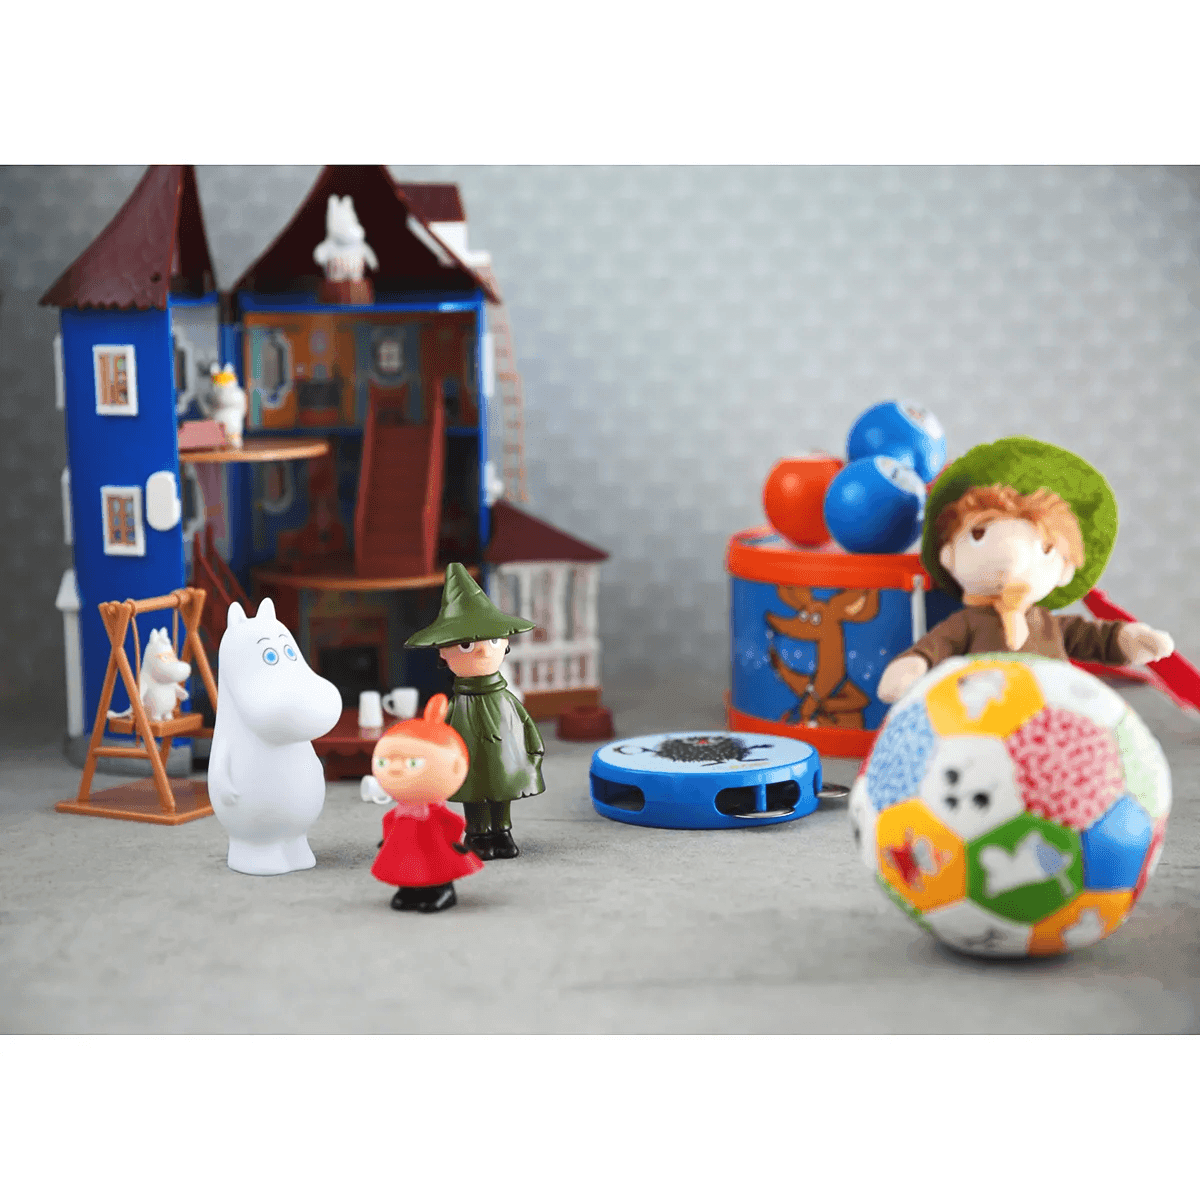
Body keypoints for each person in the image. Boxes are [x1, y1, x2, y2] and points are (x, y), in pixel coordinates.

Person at [877, 436, 1173, 703]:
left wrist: (1128, 640)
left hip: (1051, 714)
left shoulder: (1051, 626)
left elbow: (1097, 639)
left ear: (1065, 571)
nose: (1012, 563)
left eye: (1045, 548)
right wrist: (912, 666)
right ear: (949, 556)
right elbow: (934, 648)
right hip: (983, 718)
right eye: (978, 534)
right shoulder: (966, 624)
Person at [405, 563, 545, 860]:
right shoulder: (457, 705)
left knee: (502, 791)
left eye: (493, 640)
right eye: (467, 644)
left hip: (506, 759)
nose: (483, 650)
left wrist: (534, 752)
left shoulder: (506, 700)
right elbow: (441, 731)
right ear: (443, 653)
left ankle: (502, 832)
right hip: (467, 762)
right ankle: (478, 833)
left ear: (505, 644)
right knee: (475, 793)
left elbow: (525, 724)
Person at [366, 693, 483, 914]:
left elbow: (454, 821)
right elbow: (389, 820)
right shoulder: (399, 811)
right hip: (403, 843)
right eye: (383, 763)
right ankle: (407, 891)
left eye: (412, 763)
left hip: (434, 844)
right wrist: (387, 839)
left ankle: (441, 891)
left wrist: (455, 839)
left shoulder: (434, 811)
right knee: (404, 866)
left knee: (436, 865)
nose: (395, 770)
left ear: (455, 767)